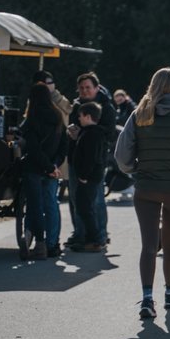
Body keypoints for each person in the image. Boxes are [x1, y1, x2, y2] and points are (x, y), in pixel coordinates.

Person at [115, 68, 170, 318]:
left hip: (146, 189)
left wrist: (134, 169)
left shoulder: (139, 115)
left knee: (148, 245)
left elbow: (121, 155)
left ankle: (147, 299)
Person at [66, 72, 116, 248]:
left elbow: (110, 134)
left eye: (88, 87)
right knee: (75, 198)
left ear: (96, 88)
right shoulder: (76, 106)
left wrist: (87, 132)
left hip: (94, 162)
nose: (84, 91)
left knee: (96, 199)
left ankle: (99, 235)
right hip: (75, 157)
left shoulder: (107, 108)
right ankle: (80, 234)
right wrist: (73, 133)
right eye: (81, 88)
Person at [20, 83, 68, 259]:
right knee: (51, 205)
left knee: (35, 206)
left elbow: (33, 148)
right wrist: (54, 166)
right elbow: (64, 146)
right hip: (52, 169)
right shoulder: (58, 116)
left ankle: (38, 242)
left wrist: (47, 166)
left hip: (34, 168)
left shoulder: (31, 119)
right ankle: (52, 243)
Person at [69, 102, 108, 252]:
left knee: (85, 208)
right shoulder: (90, 133)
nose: (79, 118)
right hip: (89, 177)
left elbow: (91, 158)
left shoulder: (92, 134)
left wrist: (84, 176)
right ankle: (91, 238)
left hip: (88, 178)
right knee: (84, 208)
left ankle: (95, 240)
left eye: (81, 115)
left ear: (88, 116)